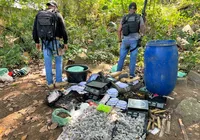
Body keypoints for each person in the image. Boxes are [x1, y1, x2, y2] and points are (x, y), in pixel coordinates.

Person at [32, 1, 68, 89]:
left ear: (48, 6)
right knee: (58, 60)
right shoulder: (57, 14)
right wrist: (66, 42)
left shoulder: (39, 14)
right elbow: (63, 29)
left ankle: (50, 83)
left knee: (47, 62)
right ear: (55, 7)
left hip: (44, 43)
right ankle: (59, 82)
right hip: (55, 42)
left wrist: (37, 41)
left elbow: (35, 29)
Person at [117, 2, 145, 77]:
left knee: (122, 57)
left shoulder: (124, 17)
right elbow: (142, 27)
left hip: (125, 41)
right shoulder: (139, 17)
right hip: (134, 41)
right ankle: (132, 75)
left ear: (129, 9)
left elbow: (119, 30)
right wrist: (142, 35)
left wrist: (119, 40)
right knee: (133, 58)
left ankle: (116, 74)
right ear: (136, 9)